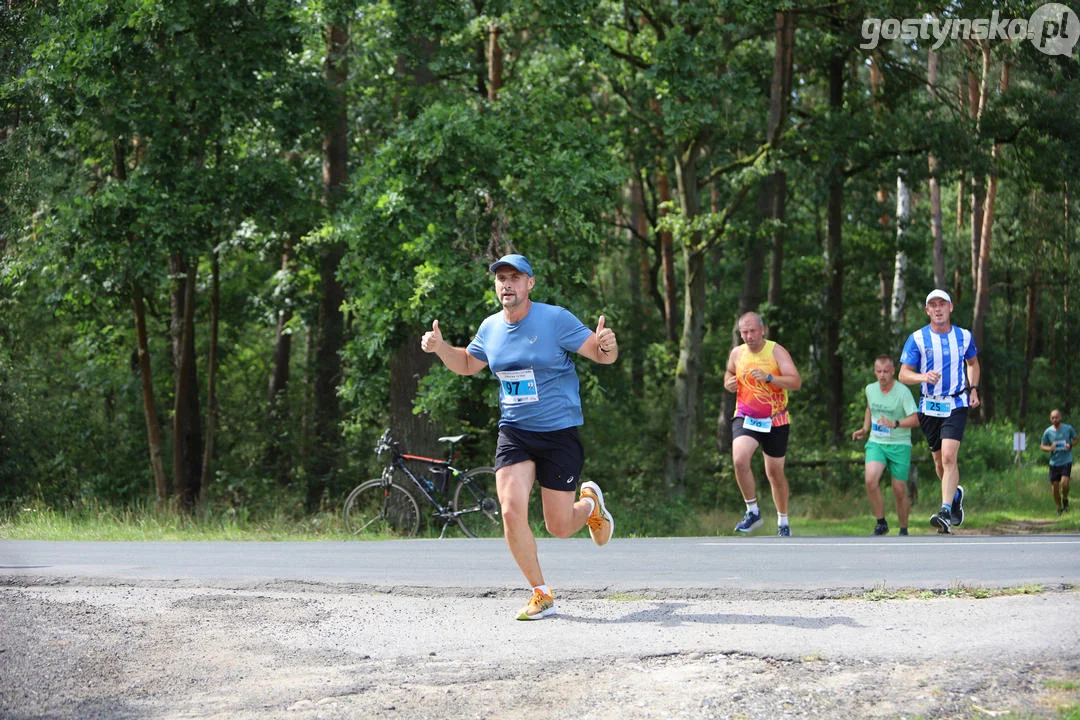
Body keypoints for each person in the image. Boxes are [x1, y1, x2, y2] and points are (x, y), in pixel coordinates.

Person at [420, 253, 616, 621]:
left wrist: (607, 343)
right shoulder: (491, 327)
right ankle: (541, 594)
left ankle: (591, 505)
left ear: (530, 283)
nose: (506, 284)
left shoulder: (554, 319)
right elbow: (466, 363)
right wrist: (440, 348)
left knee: (558, 527)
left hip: (559, 433)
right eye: (501, 278)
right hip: (515, 432)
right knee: (510, 510)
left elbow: (601, 355)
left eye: (514, 277)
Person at [898, 289, 980, 534]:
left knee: (948, 457)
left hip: (956, 403)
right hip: (929, 405)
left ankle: (945, 510)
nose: (937, 309)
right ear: (927, 311)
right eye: (932, 305)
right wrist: (923, 376)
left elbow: (973, 363)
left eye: (942, 304)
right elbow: (903, 374)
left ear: (950, 307)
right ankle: (955, 496)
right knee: (938, 463)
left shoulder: (964, 337)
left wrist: (973, 389)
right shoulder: (918, 339)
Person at [723, 312, 803, 536]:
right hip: (746, 416)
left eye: (752, 331)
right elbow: (729, 373)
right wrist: (728, 383)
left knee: (775, 472)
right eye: (744, 332)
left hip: (775, 418)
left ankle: (783, 521)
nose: (748, 336)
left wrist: (770, 378)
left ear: (762, 330)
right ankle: (752, 511)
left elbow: (795, 382)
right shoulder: (737, 353)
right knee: (739, 459)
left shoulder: (776, 351)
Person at [851, 356, 919, 536]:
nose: (882, 376)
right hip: (877, 443)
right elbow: (870, 408)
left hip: (899, 444)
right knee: (870, 480)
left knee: (899, 490)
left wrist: (895, 423)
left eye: (886, 372)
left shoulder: (903, 392)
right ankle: (881, 523)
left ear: (893, 372)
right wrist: (865, 429)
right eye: (879, 372)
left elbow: (916, 418)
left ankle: (903, 529)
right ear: (875, 372)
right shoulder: (870, 389)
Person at [1039, 409, 1076, 515]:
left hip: (1066, 460)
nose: (1055, 419)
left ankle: (1065, 499)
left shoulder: (1068, 428)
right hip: (1054, 463)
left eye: (1056, 417)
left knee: (1064, 484)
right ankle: (1059, 508)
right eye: (1053, 418)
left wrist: (1070, 445)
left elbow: (1076, 439)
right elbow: (1042, 446)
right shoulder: (1048, 432)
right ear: (1050, 419)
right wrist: (1050, 448)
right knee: (1055, 488)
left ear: (1060, 417)